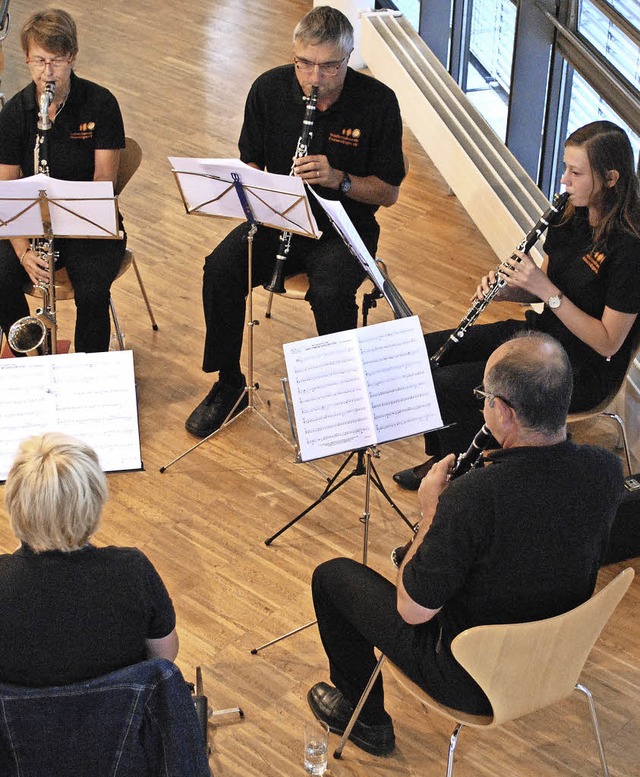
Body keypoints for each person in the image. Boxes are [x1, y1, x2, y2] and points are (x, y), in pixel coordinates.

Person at [308, 332, 624, 756]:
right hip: (557, 657)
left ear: (506, 413)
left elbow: (413, 610)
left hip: (472, 677)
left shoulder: (474, 497)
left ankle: (367, 722)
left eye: (485, 397)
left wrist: (432, 513)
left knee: (331, 578)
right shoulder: (605, 470)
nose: (482, 405)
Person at [186, 5, 405, 437]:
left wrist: (338, 179)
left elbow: (388, 191)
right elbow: (248, 162)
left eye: (328, 67)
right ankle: (229, 383)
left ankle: (340, 394)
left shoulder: (378, 103)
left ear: (348, 58)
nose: (314, 78)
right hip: (279, 216)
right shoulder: (268, 90)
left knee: (329, 294)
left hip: (345, 226)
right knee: (221, 268)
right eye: (304, 64)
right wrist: (260, 191)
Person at [394, 120, 640, 490]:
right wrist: (511, 289)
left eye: (575, 173)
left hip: (579, 368)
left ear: (610, 178)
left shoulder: (630, 249)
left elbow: (607, 341)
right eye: (564, 169)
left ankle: (464, 476)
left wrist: (544, 289)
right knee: (426, 353)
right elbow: (549, 282)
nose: (564, 181)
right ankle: (447, 455)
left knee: (448, 383)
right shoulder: (570, 215)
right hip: (541, 336)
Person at [0, 432, 177, 687]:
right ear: (94, 502)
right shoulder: (132, 571)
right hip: (119, 723)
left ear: (14, 502)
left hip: (19, 726)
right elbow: (164, 659)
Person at [0, 8, 126, 354]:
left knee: (93, 289)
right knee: (0, 273)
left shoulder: (101, 104)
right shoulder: (14, 114)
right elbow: (7, 193)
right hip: (31, 225)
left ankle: (89, 370)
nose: (47, 72)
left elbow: (104, 181)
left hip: (86, 223)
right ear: (26, 59)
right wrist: (24, 250)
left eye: (56, 61)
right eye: (39, 61)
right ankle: (29, 353)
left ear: (72, 57)